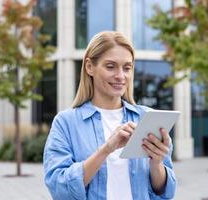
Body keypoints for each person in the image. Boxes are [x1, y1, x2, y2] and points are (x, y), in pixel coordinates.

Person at [43, 31, 177, 200]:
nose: (121, 76)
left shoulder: (147, 118)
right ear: (89, 67)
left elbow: (165, 192)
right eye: (111, 66)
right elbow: (59, 189)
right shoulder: (66, 122)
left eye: (127, 68)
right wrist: (106, 149)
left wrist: (156, 163)